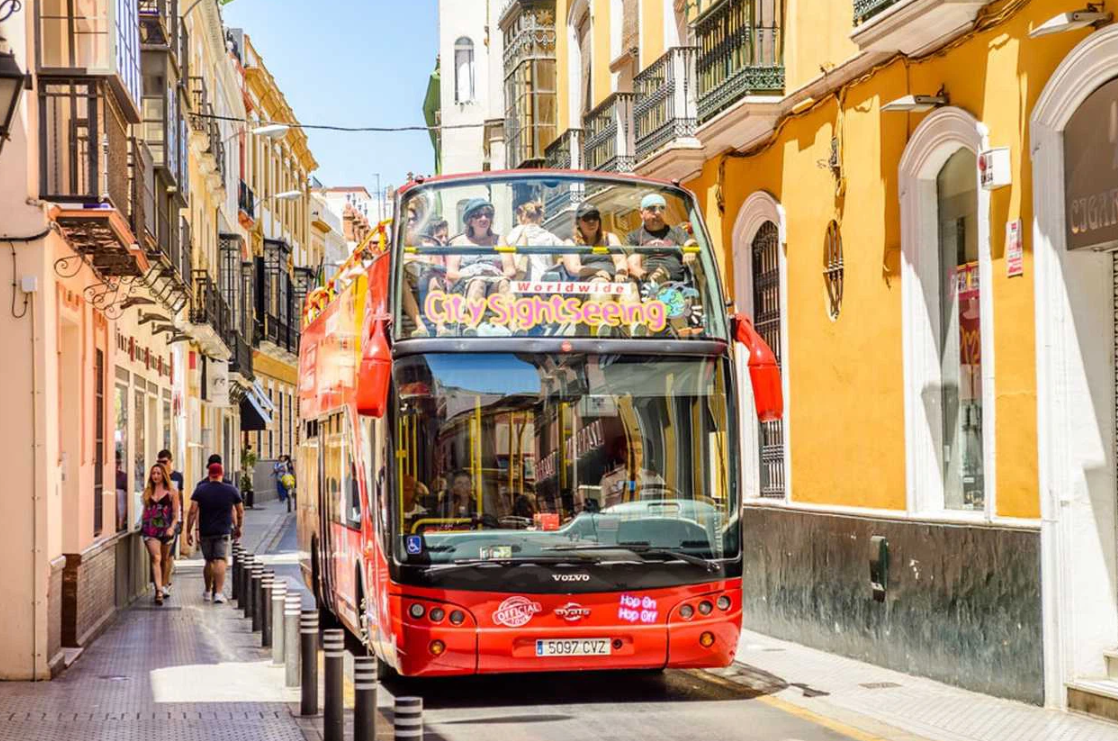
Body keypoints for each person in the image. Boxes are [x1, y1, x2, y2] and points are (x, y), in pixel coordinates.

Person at [446, 199, 515, 333]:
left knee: (505, 283)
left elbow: (511, 270)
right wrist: (475, 273)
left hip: (494, 282)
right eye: (478, 215)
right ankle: (471, 325)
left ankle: (513, 325)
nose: (483, 218)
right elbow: (452, 274)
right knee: (478, 283)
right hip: (467, 284)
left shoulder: (500, 240)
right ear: (470, 220)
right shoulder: (459, 242)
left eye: (487, 215)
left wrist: (496, 274)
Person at [186, 462, 244, 603]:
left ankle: (207, 590)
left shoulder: (200, 490)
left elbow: (192, 511)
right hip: (222, 530)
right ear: (221, 474)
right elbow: (240, 511)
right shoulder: (231, 490)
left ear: (209, 474)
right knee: (220, 560)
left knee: (209, 561)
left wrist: (188, 531)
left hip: (205, 531)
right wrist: (238, 527)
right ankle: (218, 593)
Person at [625, 193, 697, 284]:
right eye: (652, 208)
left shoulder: (677, 231)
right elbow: (632, 265)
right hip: (648, 287)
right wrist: (649, 277)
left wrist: (690, 250)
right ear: (641, 213)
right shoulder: (634, 236)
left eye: (662, 208)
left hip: (679, 286)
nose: (658, 212)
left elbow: (689, 242)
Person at [504, 201, 578, 282]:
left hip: (523, 282)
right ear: (539, 217)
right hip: (544, 281)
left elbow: (504, 249)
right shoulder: (549, 236)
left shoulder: (516, 232)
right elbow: (566, 251)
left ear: (522, 216)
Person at [140, 463, 179, 605]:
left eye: (158, 473)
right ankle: (158, 591)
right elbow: (144, 510)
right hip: (150, 529)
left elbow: (175, 514)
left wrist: (172, 528)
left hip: (166, 529)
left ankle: (162, 585)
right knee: (156, 558)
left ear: (163, 475)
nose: (155, 476)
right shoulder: (147, 492)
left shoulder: (172, 492)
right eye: (153, 473)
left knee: (164, 559)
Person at [596, 436, 666, 511]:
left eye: (639, 452)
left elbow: (664, 502)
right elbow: (601, 508)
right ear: (622, 454)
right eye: (631, 452)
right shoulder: (609, 480)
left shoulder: (654, 478)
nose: (635, 456)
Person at [156, 449, 183, 594]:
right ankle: (161, 584)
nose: (161, 465)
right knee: (158, 556)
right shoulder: (156, 477)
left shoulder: (177, 477)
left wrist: (180, 520)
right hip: (156, 523)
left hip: (172, 522)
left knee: (168, 555)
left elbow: (180, 498)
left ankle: (165, 584)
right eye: (159, 462)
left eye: (164, 462)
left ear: (170, 462)